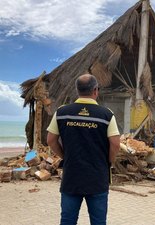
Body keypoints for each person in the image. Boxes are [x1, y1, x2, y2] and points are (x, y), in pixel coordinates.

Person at [47, 74, 120, 225]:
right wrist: (109, 161)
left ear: (77, 90)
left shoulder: (62, 112)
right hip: (97, 178)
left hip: (71, 177)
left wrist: (64, 156)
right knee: (98, 221)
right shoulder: (106, 114)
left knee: (67, 220)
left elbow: (51, 140)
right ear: (95, 90)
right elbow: (115, 143)